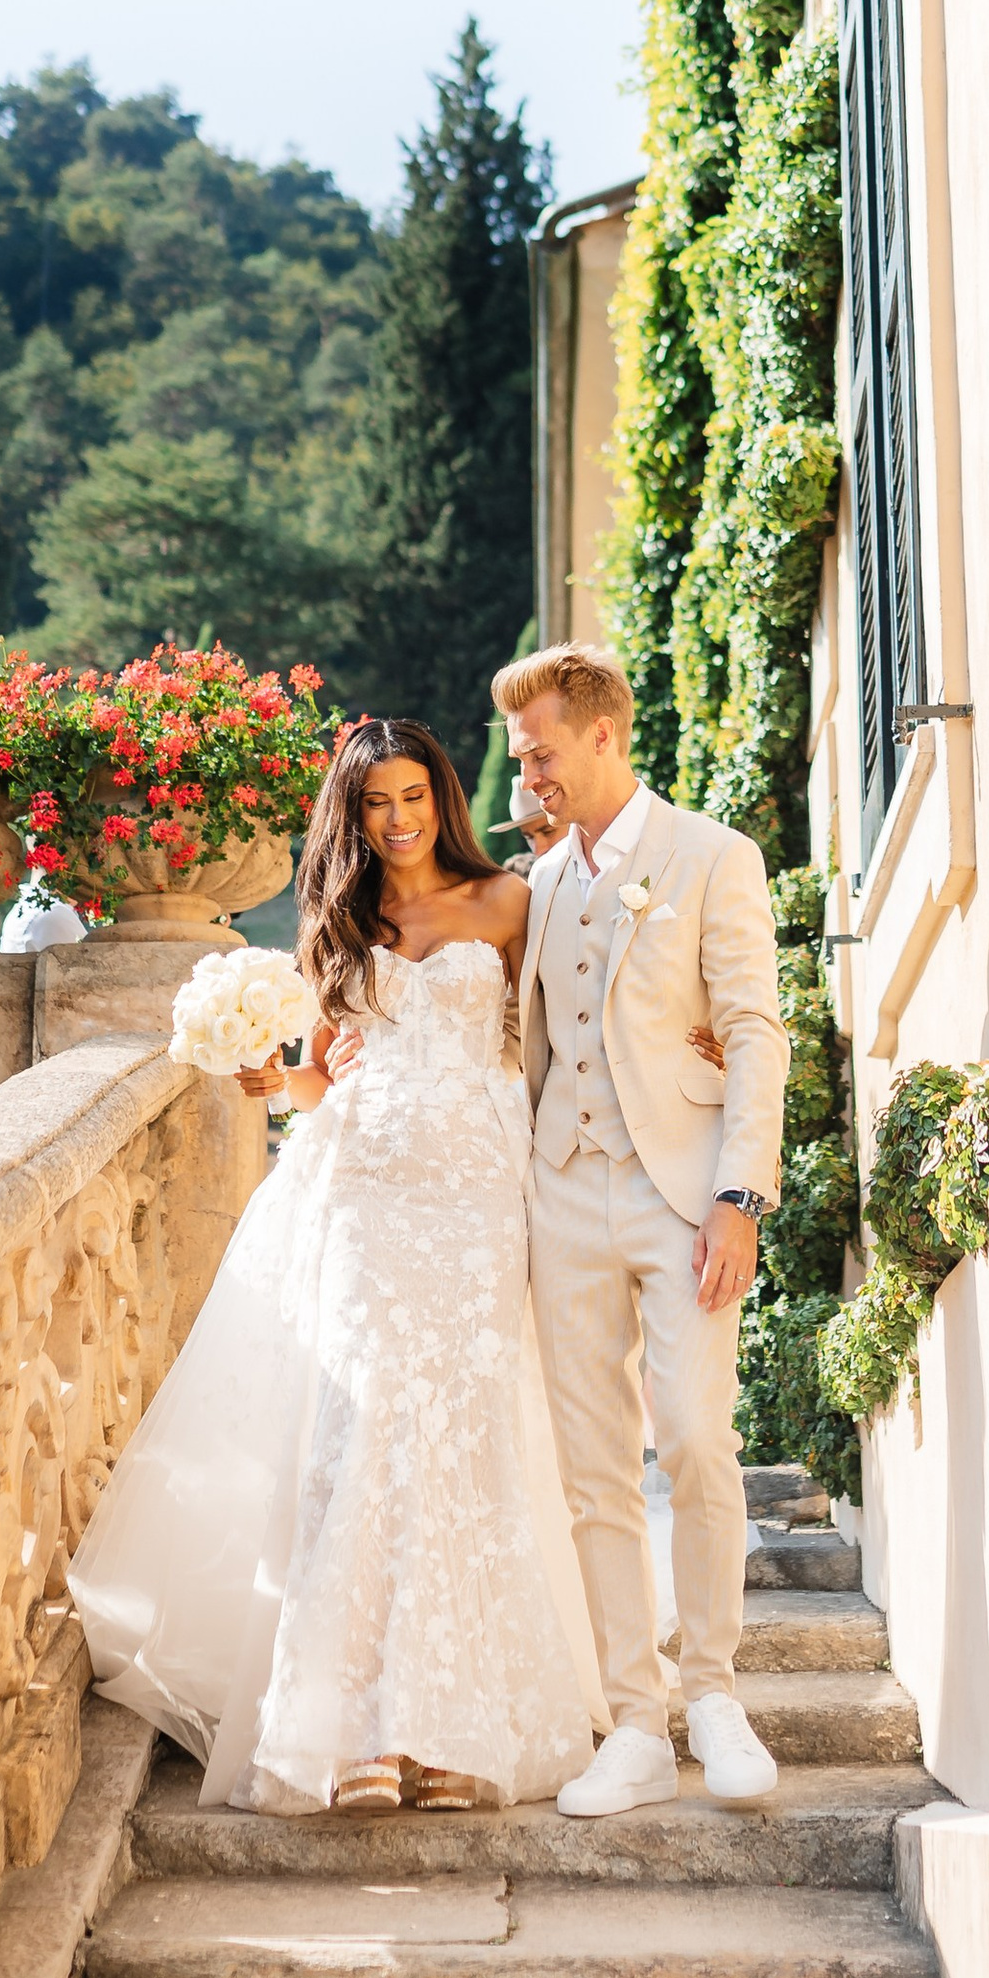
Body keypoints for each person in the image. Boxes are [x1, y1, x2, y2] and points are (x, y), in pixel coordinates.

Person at [69, 717, 598, 1816]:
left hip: (473, 1200)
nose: (397, 821)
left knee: (461, 1432)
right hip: (360, 1189)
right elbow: (324, 1074)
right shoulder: (336, 921)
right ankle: (351, 1730)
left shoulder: (510, 903)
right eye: (374, 804)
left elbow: (564, 1039)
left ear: (440, 799)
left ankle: (451, 1731)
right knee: (360, 1432)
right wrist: (281, 1088)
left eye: (413, 797)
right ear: (349, 816)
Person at [497, 639, 791, 1815]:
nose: (527, 773)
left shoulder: (712, 858)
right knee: (590, 1471)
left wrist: (740, 1195)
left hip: (680, 1194)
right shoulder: (539, 881)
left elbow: (754, 1030)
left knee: (696, 1438)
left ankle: (712, 1693)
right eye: (522, 755)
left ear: (605, 734)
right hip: (558, 1194)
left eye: (541, 751)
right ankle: (632, 1719)